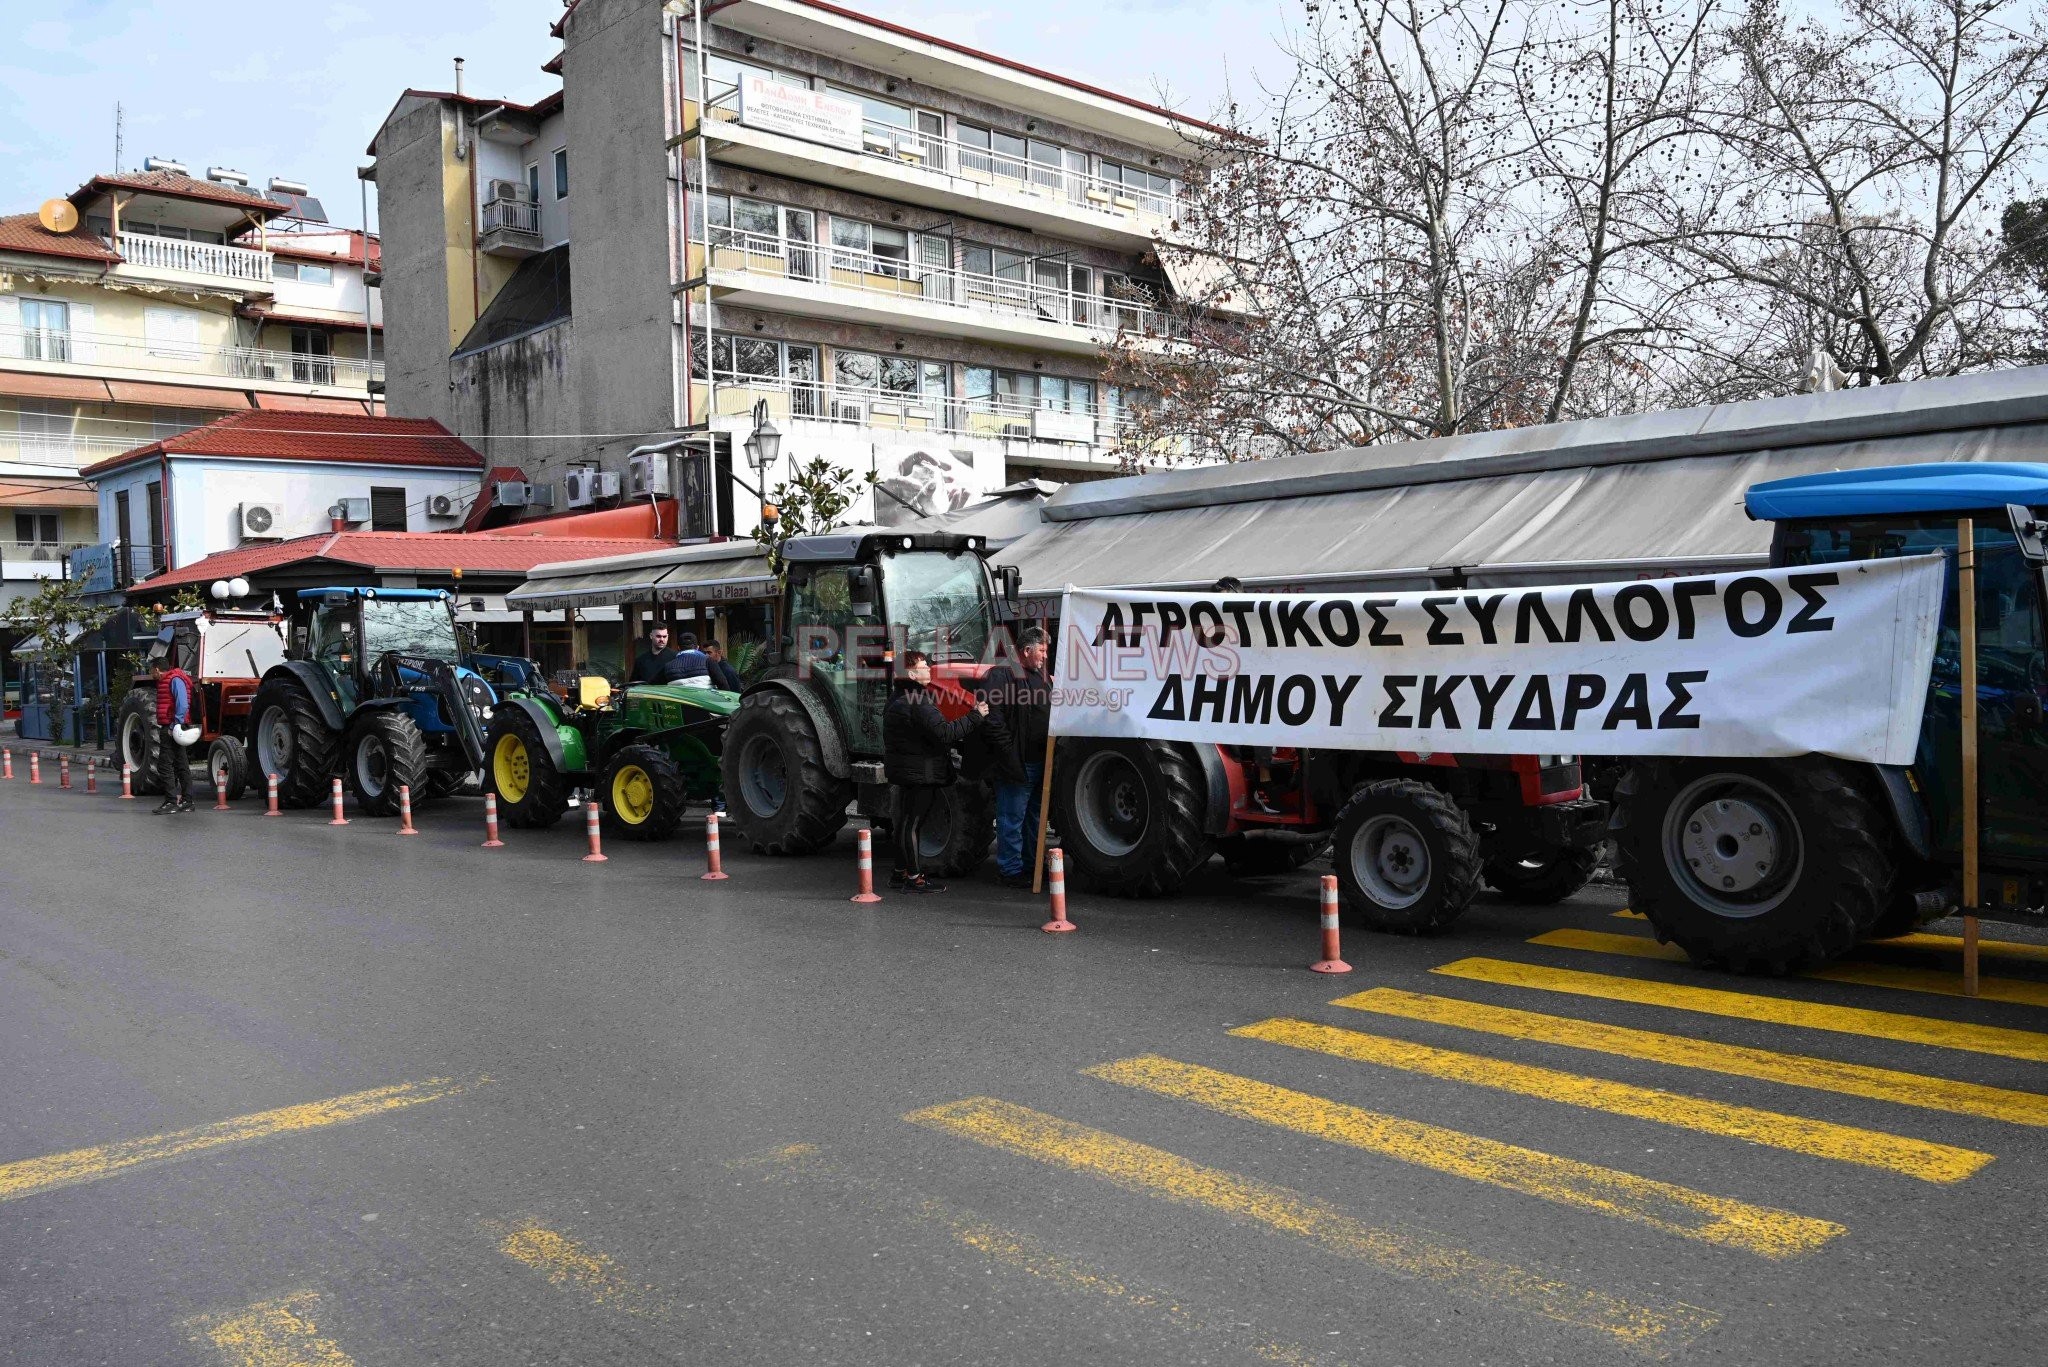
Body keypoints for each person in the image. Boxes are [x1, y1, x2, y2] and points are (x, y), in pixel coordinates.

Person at [883, 650, 988, 893]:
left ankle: (900, 873)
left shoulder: (897, 697)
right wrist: (975, 716)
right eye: (923, 667)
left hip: (908, 769)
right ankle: (914, 878)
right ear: (911, 673)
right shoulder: (918, 701)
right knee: (913, 823)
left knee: (906, 822)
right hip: (922, 771)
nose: (929, 669)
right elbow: (946, 733)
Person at [978, 626, 1052, 888]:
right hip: (1017, 763)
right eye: (1042, 651)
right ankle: (1010, 870)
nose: (1045, 656)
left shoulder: (1039, 677)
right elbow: (993, 720)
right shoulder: (1001, 675)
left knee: (1033, 818)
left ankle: (1031, 865)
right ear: (1027, 650)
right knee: (1012, 818)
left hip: (1039, 762)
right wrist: (1009, 757)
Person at [152, 640, 196, 815]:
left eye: (151, 670)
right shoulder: (173, 679)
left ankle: (171, 801)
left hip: (172, 727)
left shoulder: (174, 679)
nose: (151, 674)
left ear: (156, 669)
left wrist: (174, 725)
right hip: (176, 726)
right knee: (180, 764)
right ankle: (187, 801)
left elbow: (182, 704)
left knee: (165, 765)